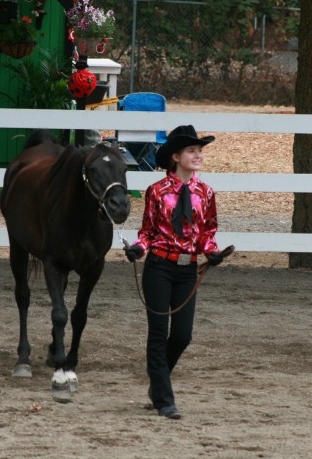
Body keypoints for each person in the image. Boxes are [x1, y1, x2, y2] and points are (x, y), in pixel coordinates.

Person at [123, 125, 224, 419]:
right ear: (176, 156)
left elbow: (208, 230)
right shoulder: (156, 192)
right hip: (158, 267)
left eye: (200, 151)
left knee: (182, 335)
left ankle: (157, 379)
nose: (198, 156)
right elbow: (148, 232)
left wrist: (212, 251)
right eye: (192, 151)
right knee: (158, 334)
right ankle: (165, 400)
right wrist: (138, 249)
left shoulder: (205, 193)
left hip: (187, 269)